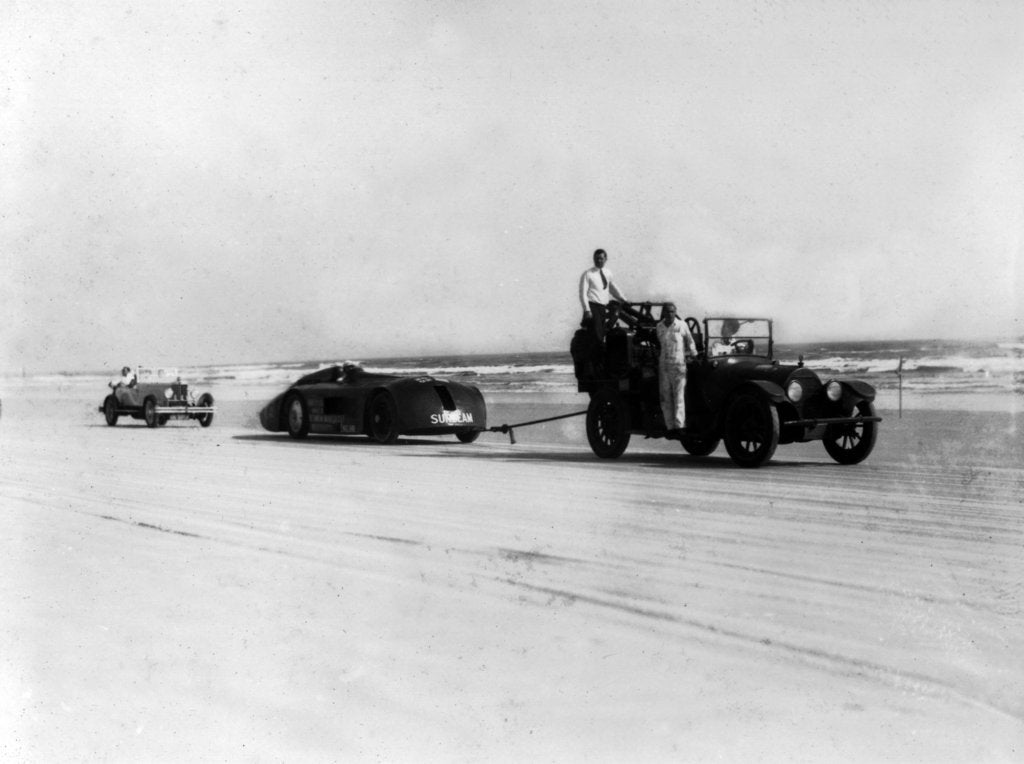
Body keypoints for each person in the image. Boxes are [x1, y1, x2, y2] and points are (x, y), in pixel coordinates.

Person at [655, 302, 697, 434]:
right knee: (665, 397)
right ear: (663, 313)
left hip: (679, 366)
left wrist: (694, 355)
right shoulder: (659, 326)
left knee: (679, 397)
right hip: (664, 367)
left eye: (672, 311)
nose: (670, 314)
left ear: (675, 312)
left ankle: (679, 426)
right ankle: (669, 427)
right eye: (667, 311)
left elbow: (690, 341)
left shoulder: (682, 325)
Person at [579, 248, 627, 341]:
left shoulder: (608, 273)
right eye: (596, 258)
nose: (598, 260)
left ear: (606, 259)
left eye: (601, 258)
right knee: (597, 333)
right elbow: (583, 293)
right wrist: (587, 310)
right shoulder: (588, 274)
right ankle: (598, 351)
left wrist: (623, 299)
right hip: (593, 306)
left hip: (603, 307)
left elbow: (612, 288)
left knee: (603, 331)